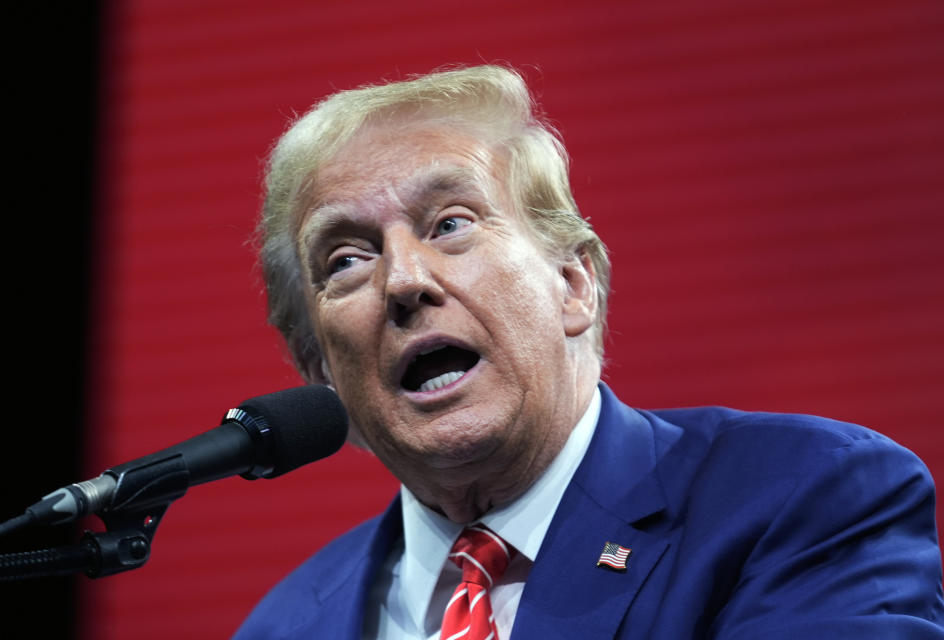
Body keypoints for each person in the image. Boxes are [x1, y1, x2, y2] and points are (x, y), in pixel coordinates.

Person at [234, 65, 944, 639]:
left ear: (574, 287)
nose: (405, 281)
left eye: (451, 223)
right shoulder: (284, 626)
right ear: (321, 368)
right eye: (348, 260)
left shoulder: (802, 501)